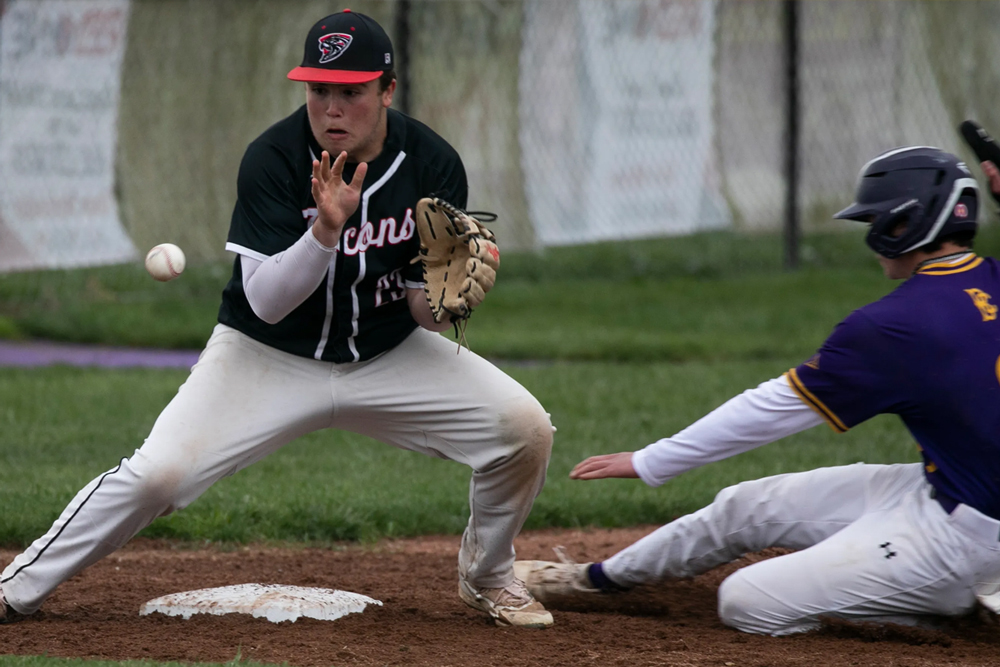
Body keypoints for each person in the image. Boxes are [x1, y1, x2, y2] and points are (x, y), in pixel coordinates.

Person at [1, 10, 554, 629]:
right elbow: (266, 301)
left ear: (387, 90)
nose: (333, 107)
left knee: (523, 428)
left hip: (387, 353)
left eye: (352, 90)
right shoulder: (273, 159)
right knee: (159, 476)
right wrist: (326, 228)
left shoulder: (431, 161)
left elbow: (421, 312)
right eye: (320, 89)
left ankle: (488, 576)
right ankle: (16, 587)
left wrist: (452, 298)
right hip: (263, 355)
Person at [515, 145, 1000, 636]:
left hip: (965, 539)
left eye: (877, 220)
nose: (871, 234)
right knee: (746, 506)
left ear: (905, 224)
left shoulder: (897, 325)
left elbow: (771, 408)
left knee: (748, 601)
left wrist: (652, 460)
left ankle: (952, 611)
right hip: (942, 492)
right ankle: (597, 580)